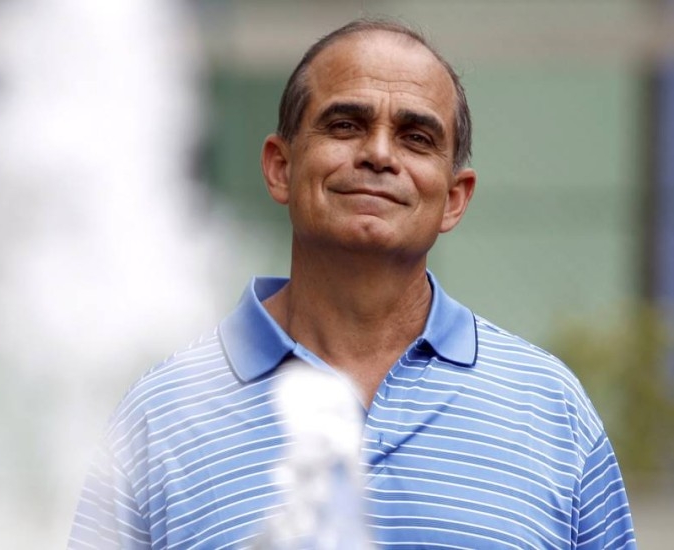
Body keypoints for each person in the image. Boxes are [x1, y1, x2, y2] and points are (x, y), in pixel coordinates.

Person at [68, 18, 637, 549]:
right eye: (346, 125)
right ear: (280, 167)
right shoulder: (162, 415)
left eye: (416, 137)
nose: (379, 154)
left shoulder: (549, 409)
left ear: (454, 198)